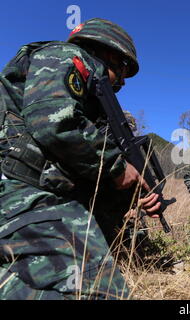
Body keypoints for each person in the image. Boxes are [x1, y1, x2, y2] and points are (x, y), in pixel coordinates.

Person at [0, 18, 161, 299]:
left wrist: (135, 196)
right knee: (103, 292)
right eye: (123, 71)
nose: (122, 82)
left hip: (35, 190)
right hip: (20, 188)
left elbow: (80, 167)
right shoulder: (64, 56)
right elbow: (54, 123)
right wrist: (117, 167)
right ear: (111, 55)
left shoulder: (92, 105)